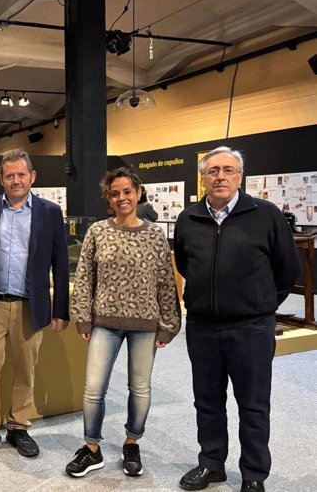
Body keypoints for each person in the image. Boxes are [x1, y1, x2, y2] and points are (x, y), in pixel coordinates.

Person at [174, 146, 300, 492]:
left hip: (251, 329)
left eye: (228, 170)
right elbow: (186, 264)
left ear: (240, 176)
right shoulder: (189, 218)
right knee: (207, 402)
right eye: (213, 170)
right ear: (203, 178)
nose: (220, 177)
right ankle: (212, 464)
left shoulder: (266, 214)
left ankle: (254, 475)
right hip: (202, 327)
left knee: (254, 404)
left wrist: (259, 304)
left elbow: (288, 269)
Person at [65, 167, 181, 479]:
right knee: (93, 389)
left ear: (138, 192)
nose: (121, 198)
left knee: (140, 388)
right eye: (115, 193)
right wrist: (83, 318)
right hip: (104, 322)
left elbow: (166, 282)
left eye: (127, 191)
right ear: (109, 198)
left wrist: (169, 324)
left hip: (145, 323)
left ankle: (132, 443)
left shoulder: (155, 235)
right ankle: (92, 449)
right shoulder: (97, 232)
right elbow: (85, 278)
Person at [0, 149, 69, 459]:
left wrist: (60, 309)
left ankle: (19, 427)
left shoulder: (50, 212)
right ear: (1, 179)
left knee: (25, 371)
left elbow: (60, 263)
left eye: (21, 174)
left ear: (32, 177)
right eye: (9, 175)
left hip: (30, 306)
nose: (15, 180)